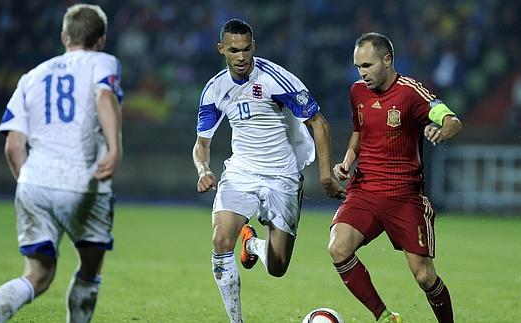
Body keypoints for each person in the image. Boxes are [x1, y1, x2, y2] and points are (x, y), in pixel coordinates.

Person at [0, 4, 123, 323]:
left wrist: (28, 182)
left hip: (34, 181)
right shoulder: (103, 61)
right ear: (101, 40)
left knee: (36, 277)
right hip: (83, 182)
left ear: (63, 36)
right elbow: (104, 97)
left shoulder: (31, 76)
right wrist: (114, 148)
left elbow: (13, 145)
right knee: (89, 268)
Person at [192, 19, 345, 323]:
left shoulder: (275, 79)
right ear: (222, 49)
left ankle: (251, 244)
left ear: (254, 46)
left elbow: (319, 123)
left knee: (277, 267)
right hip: (241, 172)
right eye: (234, 50)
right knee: (221, 241)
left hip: (282, 177)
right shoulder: (215, 89)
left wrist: (325, 175)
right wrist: (203, 169)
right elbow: (201, 144)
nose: (242, 56)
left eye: (247, 48)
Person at [328, 32, 462, 323]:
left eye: (367, 65)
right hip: (364, 190)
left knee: (424, 276)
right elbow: (359, 130)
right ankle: (385, 317)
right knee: (338, 248)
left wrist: (442, 129)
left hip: (405, 197)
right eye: (358, 67)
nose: (362, 74)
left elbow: (452, 120)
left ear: (387, 60)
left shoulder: (411, 92)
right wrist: (347, 161)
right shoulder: (357, 92)